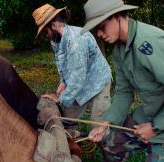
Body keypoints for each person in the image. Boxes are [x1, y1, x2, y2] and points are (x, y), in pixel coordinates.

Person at [81, 0, 164, 162]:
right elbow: (124, 92)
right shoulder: (119, 50)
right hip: (151, 113)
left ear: (117, 16)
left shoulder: (149, 43)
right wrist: (106, 122)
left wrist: (155, 127)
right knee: (110, 144)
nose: (99, 34)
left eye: (101, 26)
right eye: (96, 29)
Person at [32, 4, 112, 136]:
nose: (46, 35)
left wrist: (59, 99)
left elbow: (77, 80)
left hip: (98, 83)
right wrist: (63, 82)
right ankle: (72, 140)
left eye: (45, 31)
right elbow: (61, 63)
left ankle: (110, 150)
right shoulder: (56, 40)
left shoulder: (77, 41)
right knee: (66, 118)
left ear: (53, 25)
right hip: (78, 83)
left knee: (98, 125)